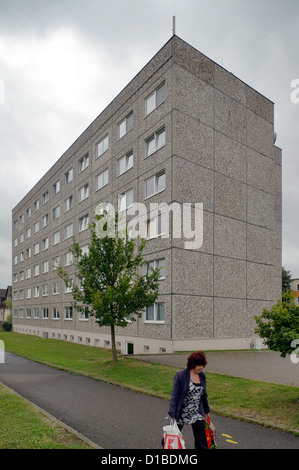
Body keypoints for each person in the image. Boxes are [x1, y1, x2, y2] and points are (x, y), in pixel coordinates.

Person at [168, 351, 210, 449]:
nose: (201, 368)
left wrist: (207, 410)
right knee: (172, 435)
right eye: (199, 365)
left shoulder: (202, 375)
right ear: (192, 364)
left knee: (202, 439)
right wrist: (172, 414)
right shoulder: (181, 375)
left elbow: (203, 394)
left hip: (196, 411)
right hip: (181, 411)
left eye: (202, 365)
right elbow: (174, 396)